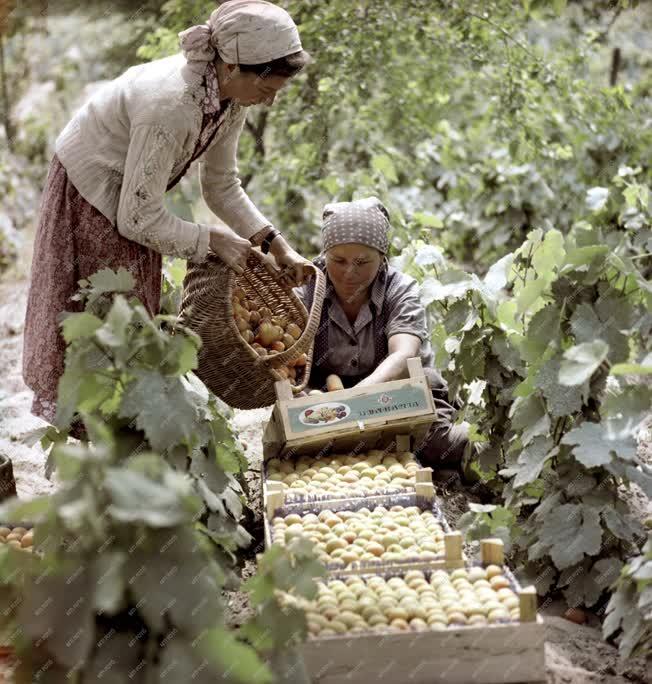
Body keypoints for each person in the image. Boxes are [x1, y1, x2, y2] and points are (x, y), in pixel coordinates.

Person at [23, 0, 312, 427]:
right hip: (89, 191)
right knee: (105, 322)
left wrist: (275, 244)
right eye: (266, 90)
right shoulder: (172, 105)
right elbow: (136, 218)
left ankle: (125, 439)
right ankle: (102, 448)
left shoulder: (231, 100)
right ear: (232, 66)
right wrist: (211, 240)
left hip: (132, 196)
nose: (267, 103)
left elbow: (221, 186)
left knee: (132, 319)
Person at [297, 197, 472, 474]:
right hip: (327, 402)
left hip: (398, 392)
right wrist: (315, 400)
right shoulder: (307, 289)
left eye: (362, 262)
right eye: (338, 260)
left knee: (434, 444)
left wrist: (355, 400)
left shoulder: (399, 290)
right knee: (307, 448)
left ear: (382, 257)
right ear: (324, 255)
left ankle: (486, 447)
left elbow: (403, 354)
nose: (348, 273)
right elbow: (288, 359)